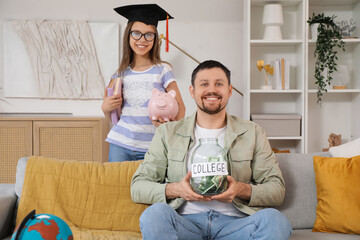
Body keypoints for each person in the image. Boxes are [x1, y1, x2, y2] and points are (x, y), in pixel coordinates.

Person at [131, 60, 292, 240]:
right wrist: (177, 189)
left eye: (219, 84)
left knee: (275, 221)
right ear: (192, 91)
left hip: (237, 225)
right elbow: (138, 186)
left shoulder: (253, 132)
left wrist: (239, 189)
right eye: (204, 84)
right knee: (154, 215)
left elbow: (277, 189)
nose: (212, 90)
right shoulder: (167, 133)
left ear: (229, 90)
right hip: (184, 223)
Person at [102, 4, 185, 162]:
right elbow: (112, 116)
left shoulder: (163, 70)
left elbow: (180, 106)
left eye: (149, 35)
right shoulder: (119, 74)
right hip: (121, 143)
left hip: (153, 146)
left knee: (150, 186)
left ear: (155, 39)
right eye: (137, 34)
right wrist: (105, 108)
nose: (142, 40)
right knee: (117, 186)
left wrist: (170, 127)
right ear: (128, 36)